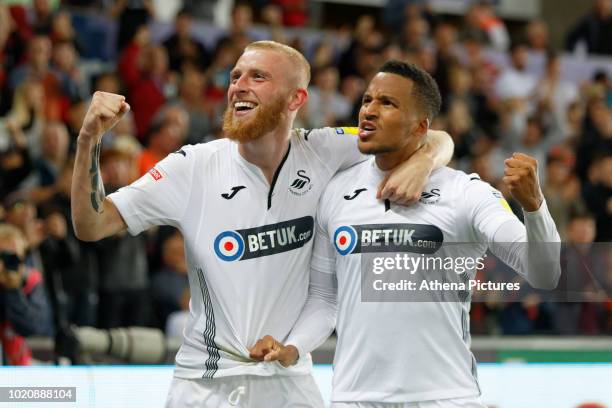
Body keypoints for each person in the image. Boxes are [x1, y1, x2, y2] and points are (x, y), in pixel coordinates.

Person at [70, 41, 454, 406]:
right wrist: (89, 139)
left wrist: (422, 163)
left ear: (296, 99)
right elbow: (92, 224)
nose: (238, 86)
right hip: (207, 385)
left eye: (257, 77)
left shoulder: (323, 149)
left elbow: (432, 136)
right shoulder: (192, 167)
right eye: (235, 76)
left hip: (289, 379)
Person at [250, 61, 561, 407]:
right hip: (354, 398)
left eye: (387, 103)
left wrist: (534, 208)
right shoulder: (335, 193)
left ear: (420, 126)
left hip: (444, 396)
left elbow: (544, 274)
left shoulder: (466, 193)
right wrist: (291, 347)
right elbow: (325, 299)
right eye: (367, 100)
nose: (369, 110)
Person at [0, 223, 53, 365]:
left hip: (22, 360)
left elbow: (33, 327)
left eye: (13, 256)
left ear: (23, 255)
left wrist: (13, 289)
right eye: (3, 255)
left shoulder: (31, 279)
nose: (8, 262)